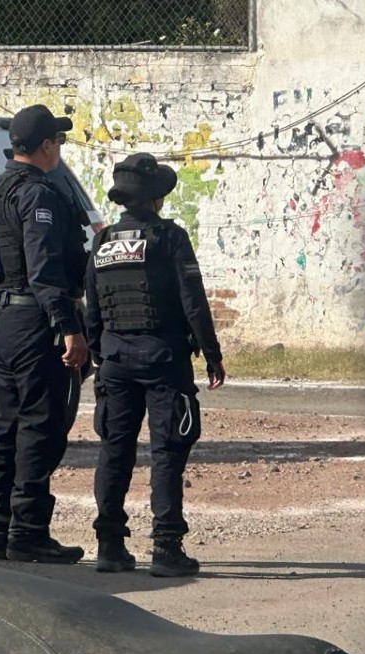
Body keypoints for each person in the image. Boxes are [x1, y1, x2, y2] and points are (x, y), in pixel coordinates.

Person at [85, 153, 226, 577]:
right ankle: (166, 547)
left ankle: (110, 545)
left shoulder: (103, 240)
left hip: (115, 360)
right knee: (166, 451)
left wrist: (101, 350)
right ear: (157, 198)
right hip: (164, 359)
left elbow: (92, 306)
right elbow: (193, 302)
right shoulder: (169, 238)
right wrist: (212, 353)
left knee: (114, 451)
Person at [0, 104, 90, 564]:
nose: (58, 148)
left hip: (2, 317)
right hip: (33, 320)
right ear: (45, 145)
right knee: (41, 428)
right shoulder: (39, 194)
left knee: (6, 427)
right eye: (56, 141)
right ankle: (28, 532)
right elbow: (44, 270)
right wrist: (68, 327)